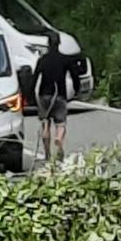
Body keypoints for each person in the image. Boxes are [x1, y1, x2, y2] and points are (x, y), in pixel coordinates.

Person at [32, 32, 80, 163]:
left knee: (45, 123)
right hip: (59, 95)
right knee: (60, 123)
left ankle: (47, 153)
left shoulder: (42, 60)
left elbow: (35, 77)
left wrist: (30, 94)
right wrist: (77, 89)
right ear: (59, 44)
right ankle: (58, 138)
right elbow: (75, 75)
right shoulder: (65, 59)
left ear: (48, 44)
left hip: (44, 95)